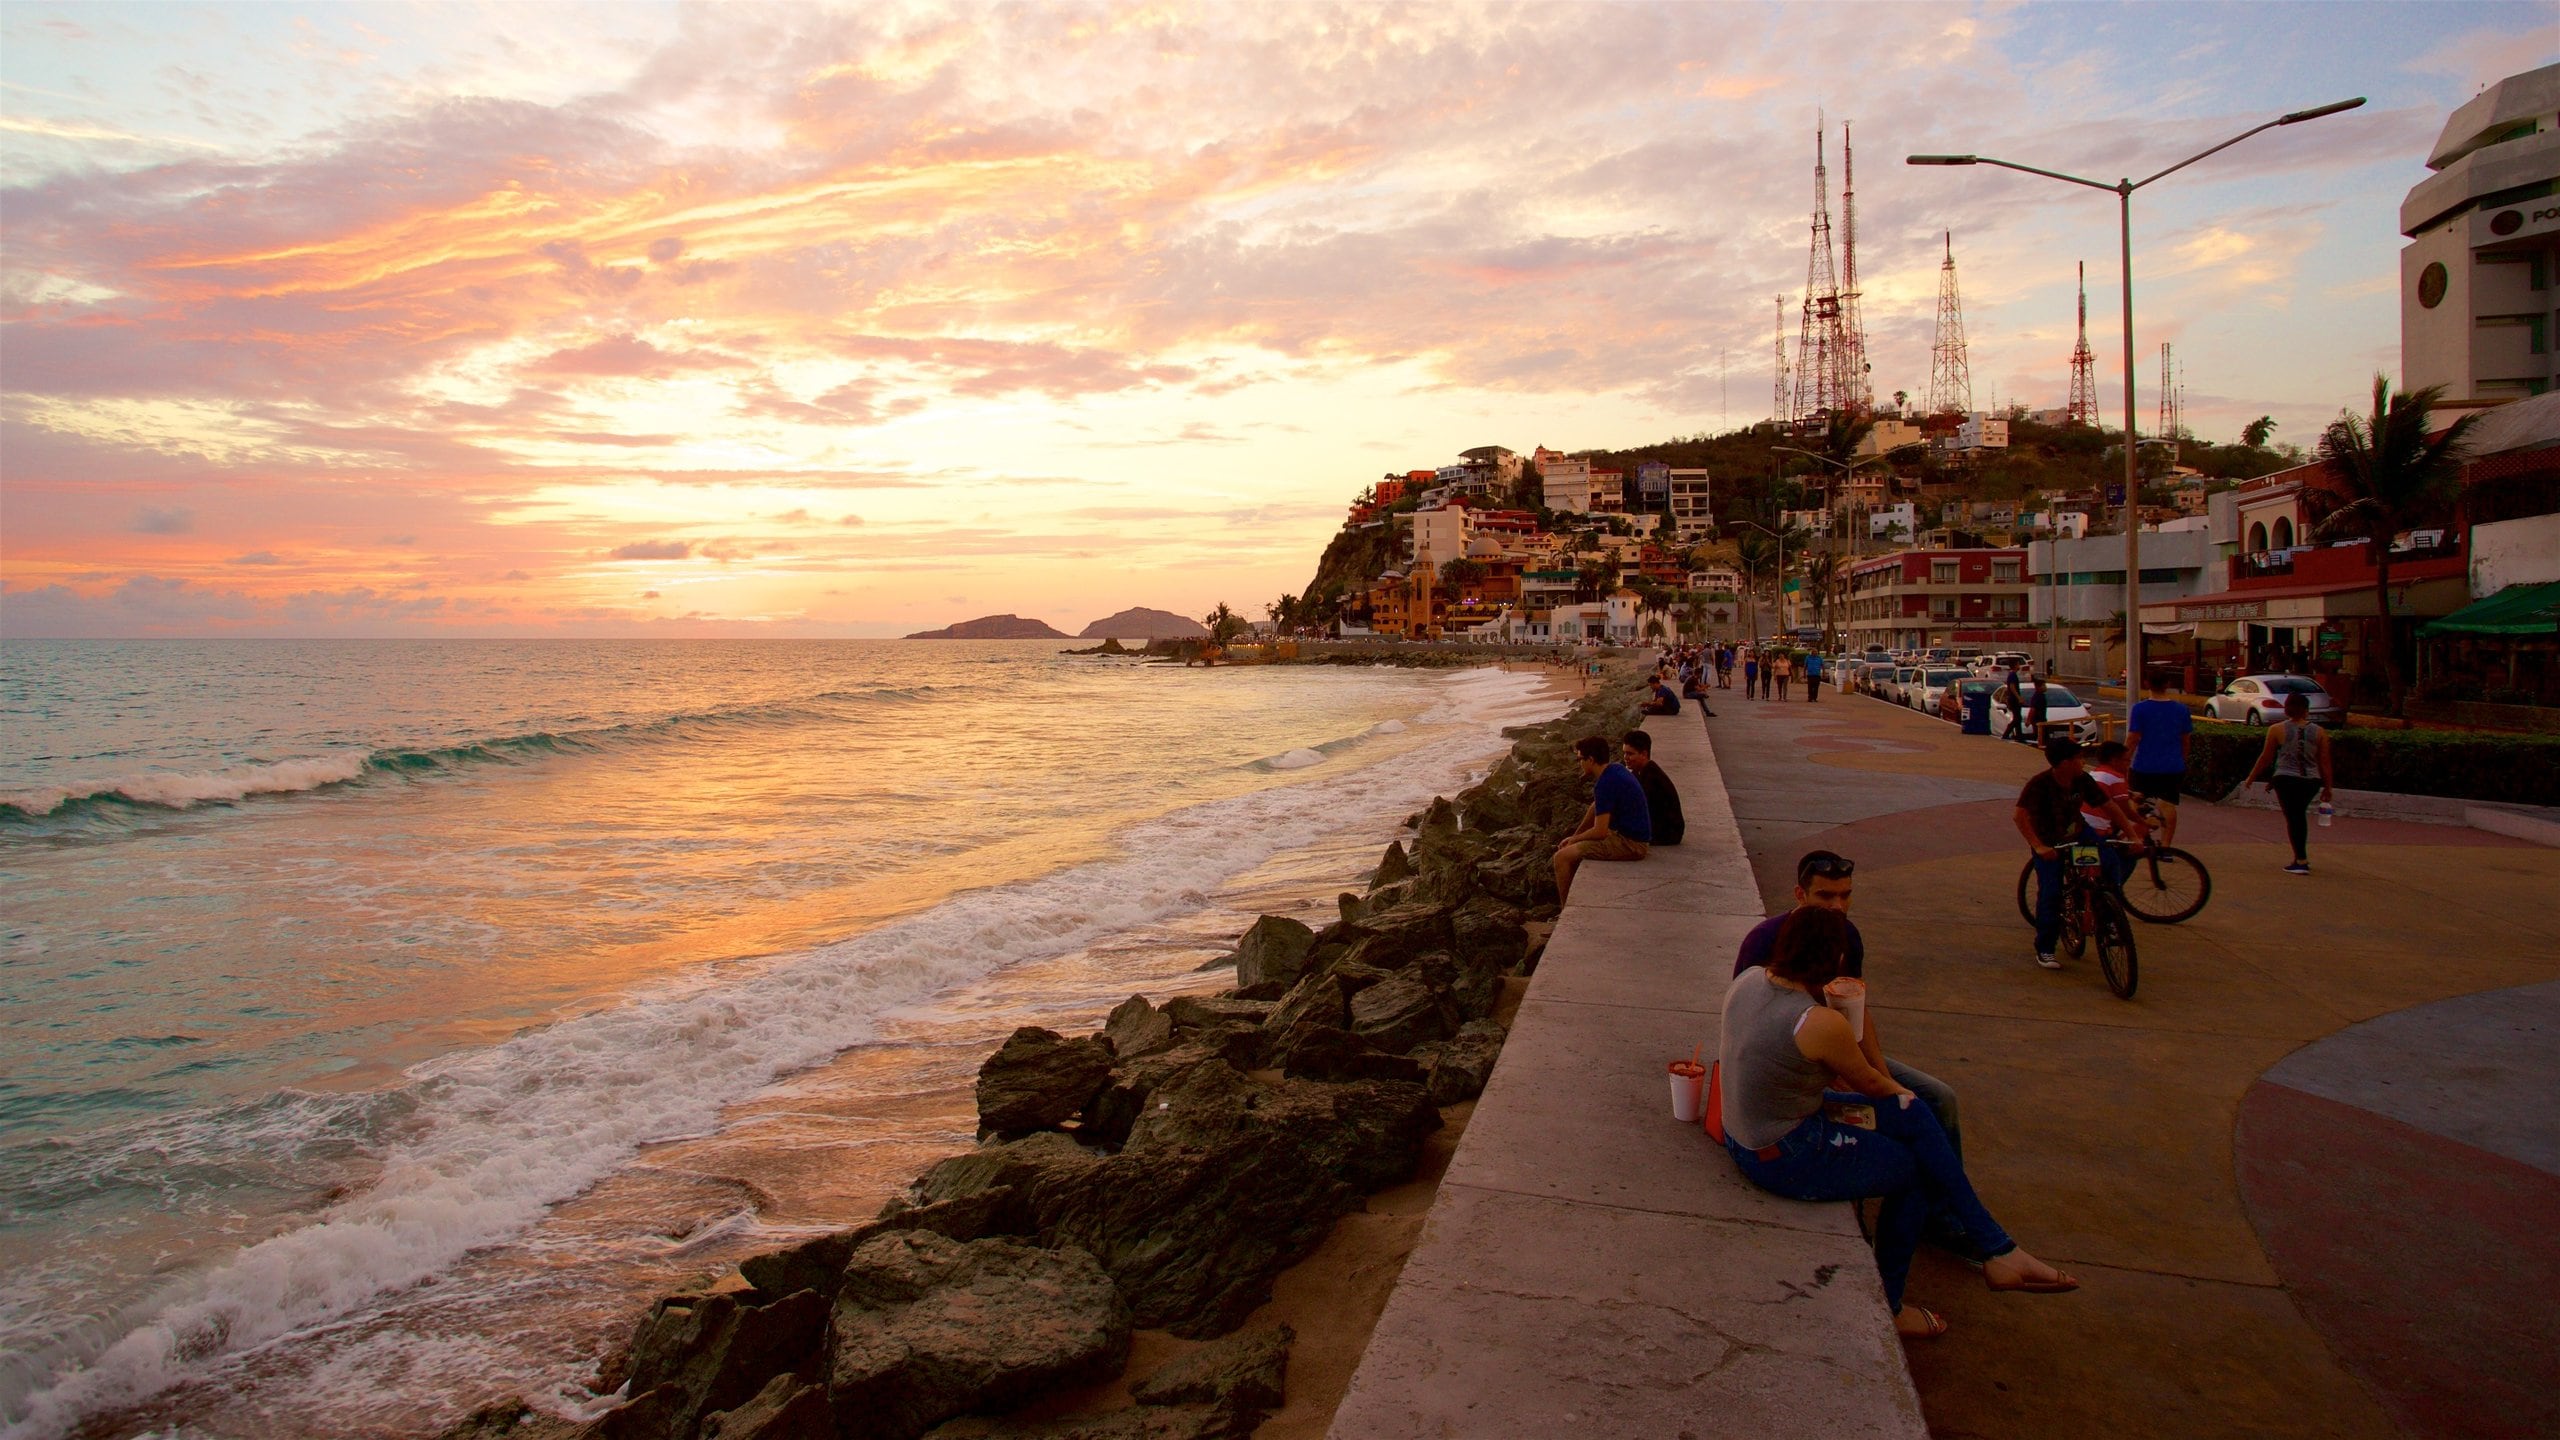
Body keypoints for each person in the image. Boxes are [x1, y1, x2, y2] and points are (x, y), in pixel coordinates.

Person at [1720, 907, 2079, 1340]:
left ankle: (1997, 1248)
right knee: (1915, 1168)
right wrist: (1904, 1103)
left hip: (1744, 1130)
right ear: (1835, 961)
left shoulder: (1748, 980)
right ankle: (1897, 1300)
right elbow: (1874, 1083)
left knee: (1914, 1115)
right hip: (1782, 1151)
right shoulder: (1816, 1022)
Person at [1733, 851, 1964, 1165]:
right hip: (1794, 1072)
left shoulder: (1847, 935)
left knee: (1941, 1097)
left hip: (1841, 1054)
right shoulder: (1764, 941)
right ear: (1800, 894)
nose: (1837, 906)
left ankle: (1946, 1192)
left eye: (1845, 895)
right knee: (1901, 1129)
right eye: (1825, 895)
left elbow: (1856, 1010)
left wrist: (1880, 1075)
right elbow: (1746, 1029)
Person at [2014, 737, 2145, 970]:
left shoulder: (2082, 780)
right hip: (2050, 843)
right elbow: (2020, 817)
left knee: (2111, 862)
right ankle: (2045, 948)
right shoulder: (2040, 784)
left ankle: (2107, 912)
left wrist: (2132, 834)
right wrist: (2038, 846)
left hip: (2080, 834)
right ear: (2064, 762)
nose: (2083, 762)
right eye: (2078, 758)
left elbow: (2109, 806)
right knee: (2051, 894)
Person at [2244, 692, 2335, 876]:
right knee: (2298, 815)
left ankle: (2301, 860)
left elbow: (2266, 758)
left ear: (2286, 709)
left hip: (2285, 779)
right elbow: (2324, 762)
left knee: (2294, 818)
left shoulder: (2277, 729)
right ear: (2306, 710)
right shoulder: (2319, 732)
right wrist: (2328, 787)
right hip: (2311, 781)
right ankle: (2301, 858)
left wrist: (2251, 777)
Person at [1552, 735, 1651, 903]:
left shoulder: (1604, 784)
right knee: (1575, 843)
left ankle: (1565, 909)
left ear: (1590, 760)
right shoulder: (1615, 770)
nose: (1579, 764)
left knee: (1561, 858)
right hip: (1633, 836)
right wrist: (1576, 836)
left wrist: (1575, 839)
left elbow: (1600, 831)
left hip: (1631, 844)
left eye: (1580, 759)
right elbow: (1597, 806)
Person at [2124, 673, 2194, 844]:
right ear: (2167, 684)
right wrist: (2182, 760)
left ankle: (2140, 837)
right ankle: (2166, 846)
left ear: (2147, 683)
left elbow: (2133, 738)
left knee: (2136, 800)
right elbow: (2185, 740)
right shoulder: (2181, 710)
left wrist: (2124, 760)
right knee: (2168, 804)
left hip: (2144, 765)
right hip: (2172, 766)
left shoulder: (2140, 709)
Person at [1621, 730, 1684, 847]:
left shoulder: (1652, 778)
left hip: (1666, 834)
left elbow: (1640, 809)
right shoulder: (1643, 771)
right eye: (1624, 753)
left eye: (1630, 754)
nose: (1625, 758)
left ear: (1644, 754)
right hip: (1664, 828)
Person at [1998, 667, 2025, 743]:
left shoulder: (2012, 674)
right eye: (2018, 664)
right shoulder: (2012, 675)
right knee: (2017, 718)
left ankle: (2019, 737)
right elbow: (2012, 687)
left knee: (2017, 718)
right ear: (2015, 665)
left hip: (2013, 699)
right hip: (2014, 700)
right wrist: (2018, 697)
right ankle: (2006, 735)